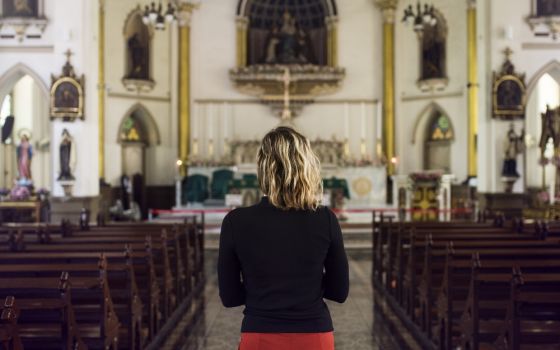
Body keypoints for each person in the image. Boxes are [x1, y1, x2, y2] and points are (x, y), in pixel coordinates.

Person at [218, 126, 349, 350]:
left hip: (259, 333)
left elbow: (229, 297)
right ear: (306, 166)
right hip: (314, 334)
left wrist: (261, 288)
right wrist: (307, 286)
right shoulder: (325, 219)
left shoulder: (235, 222)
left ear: (262, 169)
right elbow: (339, 291)